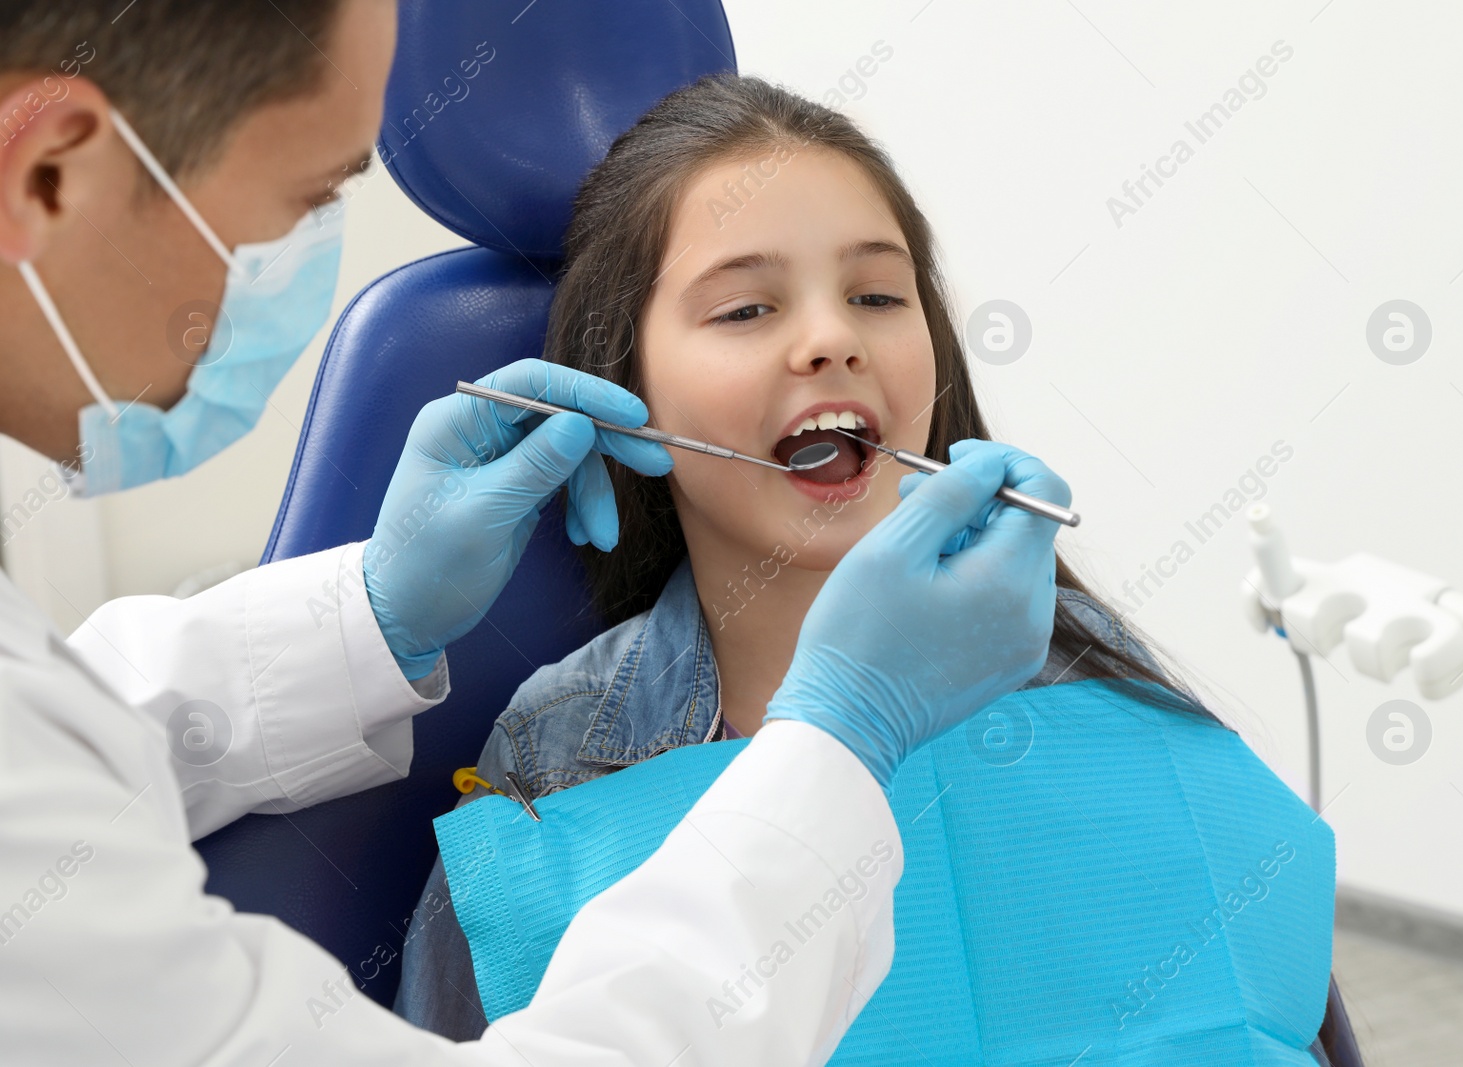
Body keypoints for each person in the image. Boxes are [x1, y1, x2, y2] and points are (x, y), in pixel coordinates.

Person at [0, 4, 1071, 1064]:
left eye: (878, 292)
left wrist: (371, 612)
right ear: (49, 173)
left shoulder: (1115, 716)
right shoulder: (551, 781)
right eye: (300, 201)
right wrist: (843, 733)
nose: (832, 338)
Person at [395, 72, 1219, 1035]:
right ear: (627, 393)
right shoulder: (560, 759)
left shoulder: (1097, 683)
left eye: (876, 293)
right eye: (745, 310)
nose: (832, 338)